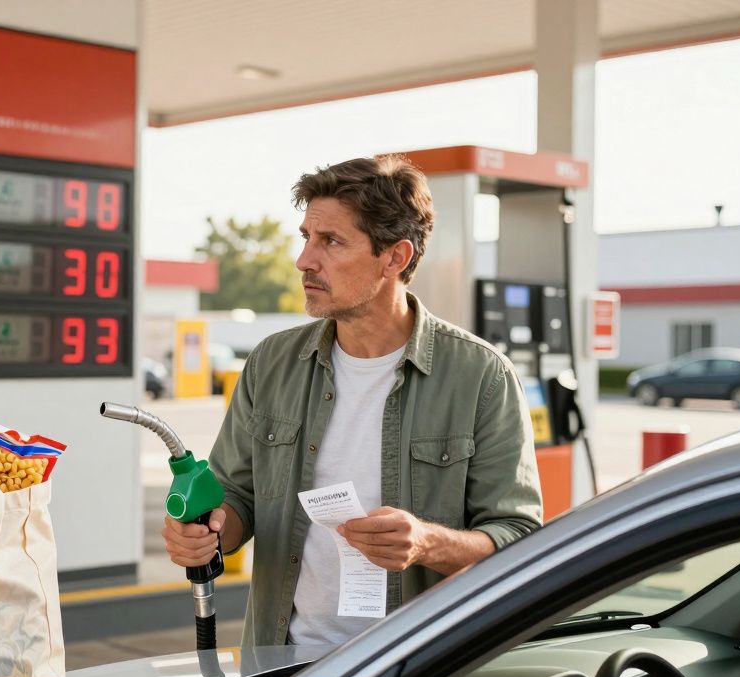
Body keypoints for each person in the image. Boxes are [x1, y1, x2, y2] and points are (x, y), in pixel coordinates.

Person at [162, 155, 543, 647]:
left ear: (395, 257)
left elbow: (520, 536)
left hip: (420, 672)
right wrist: (206, 534)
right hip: (284, 664)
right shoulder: (272, 363)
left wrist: (428, 542)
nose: (304, 261)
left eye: (331, 241)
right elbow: (235, 498)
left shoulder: (480, 376)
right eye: (306, 237)